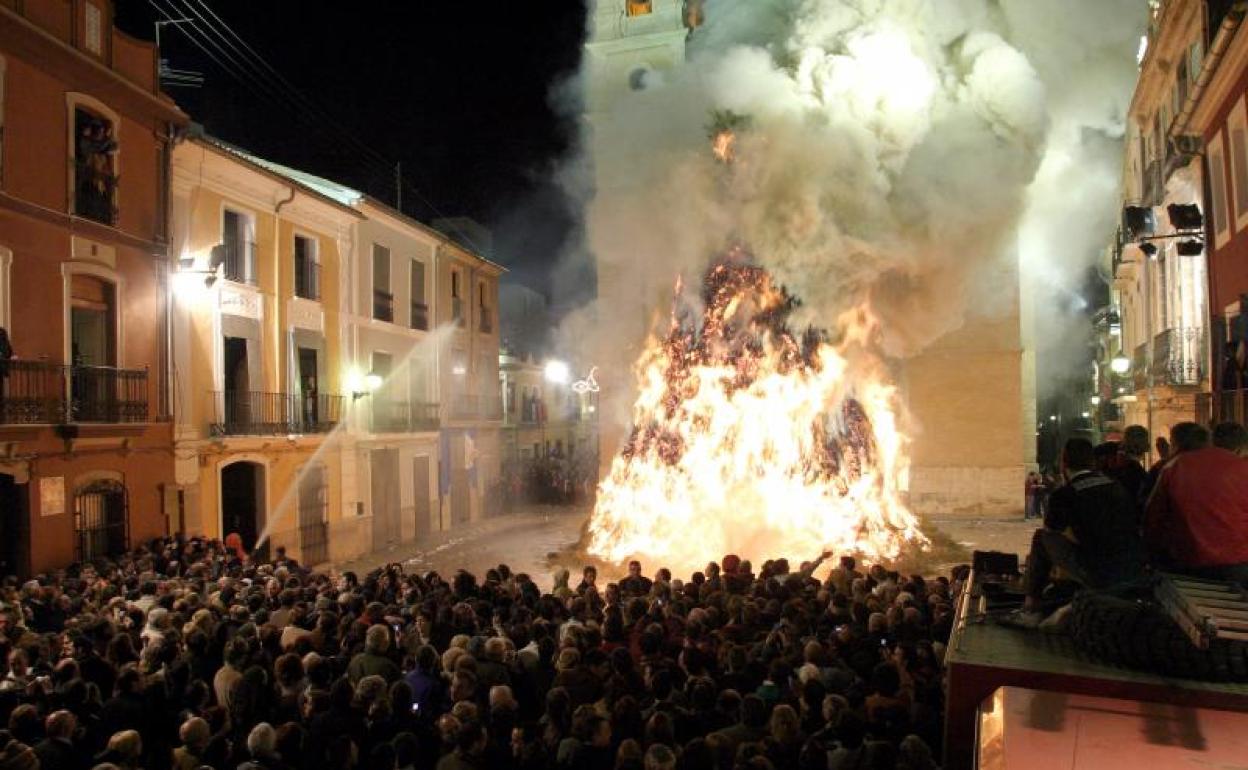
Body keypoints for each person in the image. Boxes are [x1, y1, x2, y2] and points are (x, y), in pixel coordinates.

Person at [1015, 438, 1144, 627]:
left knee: (1041, 538)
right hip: (1132, 569)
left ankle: (1031, 607)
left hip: (1099, 572)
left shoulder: (1064, 494)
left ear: (1063, 463)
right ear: (1092, 462)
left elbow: (1052, 533)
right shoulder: (1116, 486)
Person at [1145, 422, 1248, 585]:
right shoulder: (1241, 466)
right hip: (1238, 561)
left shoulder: (1174, 466)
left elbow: (1153, 518)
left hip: (1189, 560)